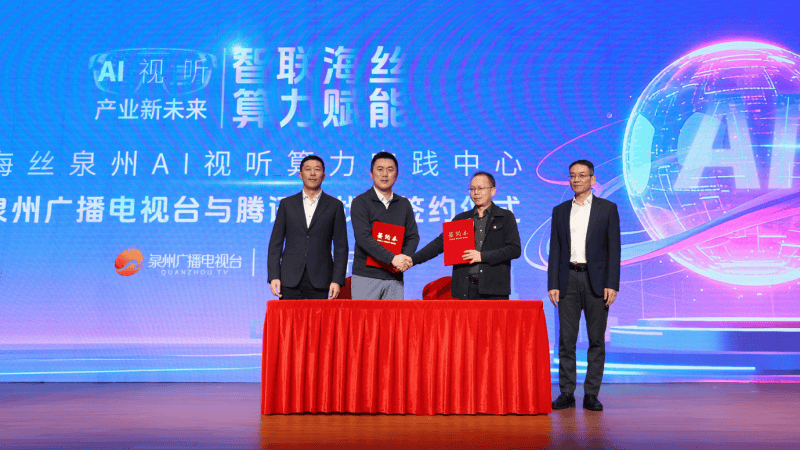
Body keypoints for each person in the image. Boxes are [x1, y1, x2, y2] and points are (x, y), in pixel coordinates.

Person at [548, 160, 620, 412]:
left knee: (596, 340)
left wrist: (612, 283)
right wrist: (553, 283)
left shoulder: (607, 209)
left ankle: (591, 394)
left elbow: (614, 249)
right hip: (568, 279)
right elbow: (555, 249)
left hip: (596, 281)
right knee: (566, 341)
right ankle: (566, 393)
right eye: (572, 176)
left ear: (592, 179)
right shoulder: (560, 211)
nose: (576, 180)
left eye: (581, 175)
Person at [404, 171, 520, 299]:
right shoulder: (461, 219)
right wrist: (412, 260)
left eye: (480, 188)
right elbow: (439, 244)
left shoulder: (505, 217)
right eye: (472, 189)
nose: (476, 192)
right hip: (465, 290)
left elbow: (514, 249)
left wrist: (481, 256)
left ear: (492, 191)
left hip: (494, 291)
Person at [268, 155, 348, 300]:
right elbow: (275, 243)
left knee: (319, 316)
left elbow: (341, 247)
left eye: (317, 169)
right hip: (289, 278)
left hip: (321, 278)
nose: (312, 173)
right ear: (300, 175)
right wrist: (274, 276)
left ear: (323, 176)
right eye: (308, 169)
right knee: (289, 316)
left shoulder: (335, 206)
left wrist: (337, 280)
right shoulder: (287, 204)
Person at [350, 152, 419, 299]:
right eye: (380, 169)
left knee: (394, 315)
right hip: (366, 276)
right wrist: (392, 259)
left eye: (390, 170)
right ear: (371, 174)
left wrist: (403, 260)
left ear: (396, 175)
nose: (385, 174)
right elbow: (363, 237)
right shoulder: (360, 202)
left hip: (394, 277)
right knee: (364, 315)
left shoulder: (404, 204)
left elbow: (413, 237)